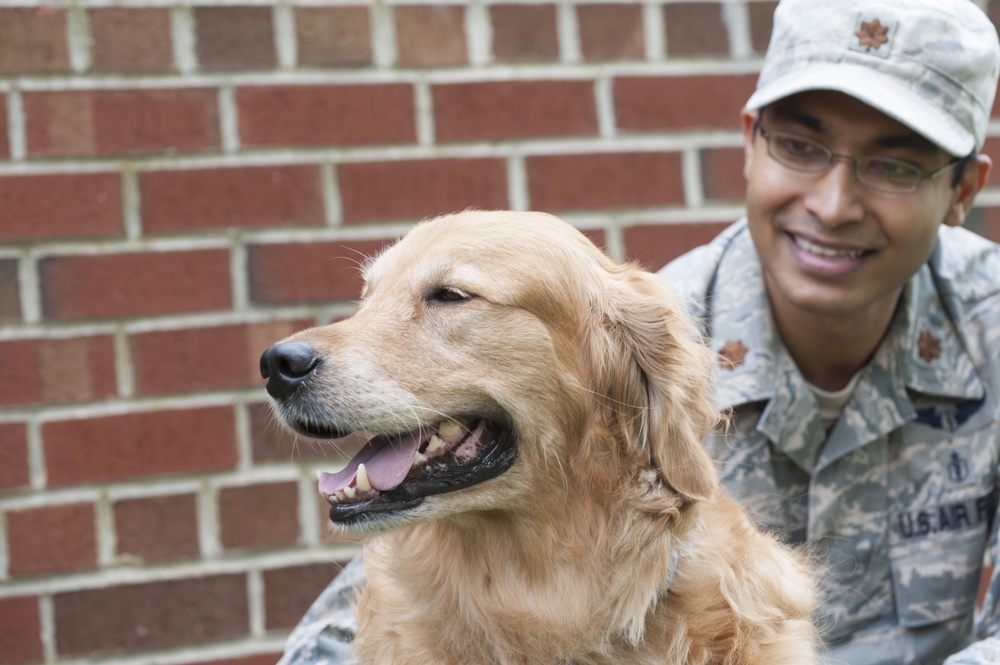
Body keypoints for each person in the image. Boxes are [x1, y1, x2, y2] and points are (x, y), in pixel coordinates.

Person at [277, 0, 1000, 662]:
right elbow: (367, 615)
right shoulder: (621, 338)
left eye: (894, 165)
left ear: (962, 191)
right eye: (800, 146)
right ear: (751, 144)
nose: (834, 203)